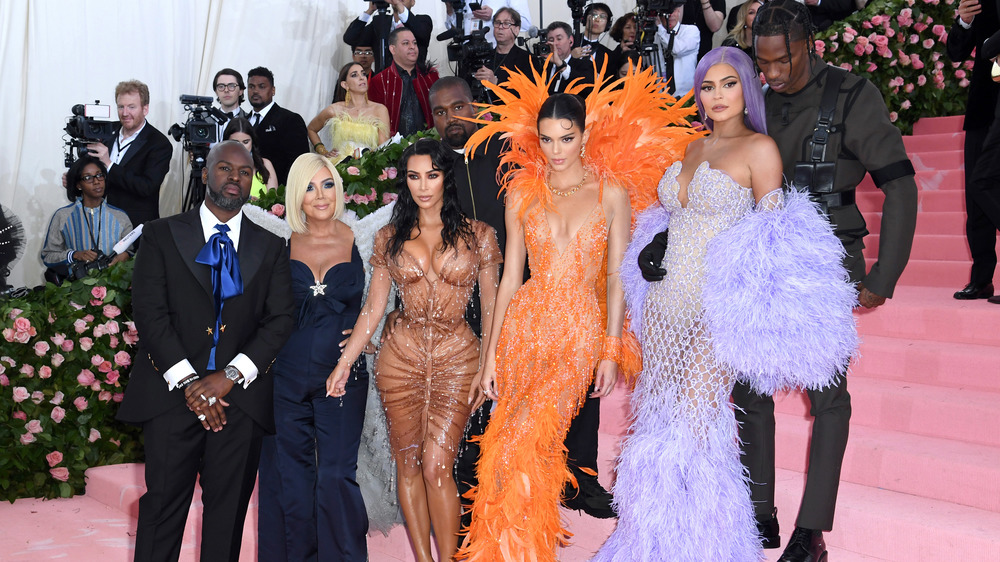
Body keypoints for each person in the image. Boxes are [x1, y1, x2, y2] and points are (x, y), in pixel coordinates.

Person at [595, 46, 857, 562]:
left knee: (696, 425)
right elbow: (677, 217)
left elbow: (775, 237)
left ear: (747, 88)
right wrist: (656, 240)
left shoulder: (761, 150)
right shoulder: (691, 148)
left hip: (716, 310)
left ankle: (707, 546)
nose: (716, 96)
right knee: (660, 420)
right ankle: (652, 539)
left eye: (728, 84)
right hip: (666, 307)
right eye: (707, 86)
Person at [737, 2, 918, 559]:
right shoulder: (753, 94)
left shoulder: (851, 94)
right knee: (748, 388)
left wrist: (885, 273)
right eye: (761, 63)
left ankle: (811, 530)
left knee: (828, 397)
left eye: (780, 61)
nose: (769, 74)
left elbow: (901, 186)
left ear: (808, 44)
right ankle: (760, 514)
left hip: (828, 258)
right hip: (762, 257)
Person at [456, 91, 634, 559]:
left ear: (585, 135)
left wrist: (611, 349)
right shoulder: (521, 192)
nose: (556, 150)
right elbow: (512, 277)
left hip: (578, 331)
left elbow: (617, 277)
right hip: (524, 326)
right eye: (547, 139)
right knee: (502, 447)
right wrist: (490, 355)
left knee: (530, 442)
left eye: (567, 138)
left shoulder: (611, 193)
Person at [116, 140, 295, 562]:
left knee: (228, 514)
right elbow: (150, 313)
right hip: (172, 396)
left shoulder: (271, 246)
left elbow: (281, 319)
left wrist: (229, 376)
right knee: (162, 507)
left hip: (239, 402)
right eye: (225, 169)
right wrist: (192, 383)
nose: (236, 178)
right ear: (204, 174)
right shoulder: (161, 234)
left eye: (245, 172)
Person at [329, 138, 502, 562]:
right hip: (398, 360)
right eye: (413, 176)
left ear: (446, 177)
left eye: (432, 175)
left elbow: (496, 306)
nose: (423, 186)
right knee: (407, 465)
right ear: (404, 182)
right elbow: (374, 307)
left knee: (437, 466)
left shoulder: (480, 235)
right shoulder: (390, 237)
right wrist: (344, 362)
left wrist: (489, 363)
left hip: (458, 359)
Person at [256, 153, 371, 561]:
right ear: (295, 195)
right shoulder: (278, 241)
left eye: (326, 184)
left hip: (343, 375)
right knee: (289, 477)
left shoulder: (364, 238)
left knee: (337, 475)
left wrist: (370, 335)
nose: (319, 195)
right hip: (284, 375)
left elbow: (384, 299)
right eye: (308, 187)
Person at [948, 0, 1000, 301]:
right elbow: (955, 53)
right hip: (983, 107)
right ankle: (981, 279)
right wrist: (964, 21)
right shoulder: (978, 3)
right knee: (976, 199)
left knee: (987, 187)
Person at [87, 79, 172, 227]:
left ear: (145, 109)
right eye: (121, 107)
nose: (125, 113)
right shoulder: (106, 132)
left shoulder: (159, 144)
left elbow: (147, 187)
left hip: (135, 228)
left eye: (131, 107)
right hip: (101, 223)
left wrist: (109, 165)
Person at [41, 156, 131, 281]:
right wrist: (75, 255)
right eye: (88, 178)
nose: (96, 181)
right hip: (77, 288)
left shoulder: (120, 216)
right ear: (78, 185)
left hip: (113, 286)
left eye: (99, 175)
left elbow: (132, 252)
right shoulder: (63, 215)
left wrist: (125, 255)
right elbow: (48, 255)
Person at [308, 62, 390, 162]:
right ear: (345, 84)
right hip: (339, 167)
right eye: (354, 75)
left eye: (363, 74)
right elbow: (311, 129)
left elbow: (383, 148)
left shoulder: (379, 110)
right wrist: (323, 151)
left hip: (369, 169)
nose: (361, 78)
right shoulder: (335, 109)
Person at [367, 28, 440, 137]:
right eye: (406, 43)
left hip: (431, 144)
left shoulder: (430, 77)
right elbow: (373, 122)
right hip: (393, 148)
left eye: (414, 43)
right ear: (393, 49)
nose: (412, 47)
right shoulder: (379, 81)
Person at [247, 66, 310, 185]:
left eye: (262, 86)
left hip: (277, 194)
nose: (255, 91)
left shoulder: (290, 120)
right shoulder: (243, 121)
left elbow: (299, 162)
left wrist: (284, 194)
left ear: (273, 90)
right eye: (251, 87)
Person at [343, 0, 433, 74]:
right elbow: (350, 38)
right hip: (382, 82)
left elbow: (422, 33)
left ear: (413, 2)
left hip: (413, 82)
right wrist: (370, 11)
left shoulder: (422, 20)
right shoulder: (380, 22)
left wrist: (398, 4)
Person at [471, 7, 535, 97]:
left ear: (516, 30)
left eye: (506, 23)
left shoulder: (528, 60)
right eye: (497, 23)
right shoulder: (483, 56)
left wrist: (496, 82)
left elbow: (528, 94)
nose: (500, 27)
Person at [222, 117, 277, 197]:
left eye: (245, 142)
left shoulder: (265, 164)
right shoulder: (220, 167)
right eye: (235, 142)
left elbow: (273, 201)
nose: (241, 147)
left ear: (252, 142)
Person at [445, 0, 534, 46]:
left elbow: (525, 23)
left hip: (496, 53)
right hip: (468, 53)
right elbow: (454, 28)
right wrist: (449, 9)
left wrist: (494, 17)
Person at [656, 4, 701, 96]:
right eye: (665, 12)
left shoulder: (691, 31)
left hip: (686, 96)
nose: (670, 15)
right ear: (659, 15)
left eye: (672, 10)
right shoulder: (655, 35)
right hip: (660, 96)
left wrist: (659, 27)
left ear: (679, 11)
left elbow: (676, 49)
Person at [545, 22, 595, 94]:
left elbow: (587, 88)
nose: (555, 43)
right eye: (551, 40)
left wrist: (561, 65)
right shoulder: (544, 67)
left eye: (559, 39)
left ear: (570, 41)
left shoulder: (585, 65)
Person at [574, 3, 615, 71]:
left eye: (602, 17)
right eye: (594, 15)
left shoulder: (608, 55)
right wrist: (570, 57)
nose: (597, 20)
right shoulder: (568, 41)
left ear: (608, 25)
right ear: (584, 18)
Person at [212, 68, 248, 141]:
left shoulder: (249, 120)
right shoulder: (205, 119)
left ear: (241, 91)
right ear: (216, 91)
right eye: (221, 86)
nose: (226, 90)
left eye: (232, 86)